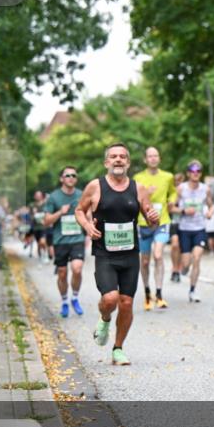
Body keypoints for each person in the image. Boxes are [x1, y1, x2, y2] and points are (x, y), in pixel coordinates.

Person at [76, 143, 159, 366]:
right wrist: (87, 227)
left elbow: (151, 220)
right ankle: (104, 318)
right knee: (110, 299)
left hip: (130, 253)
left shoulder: (138, 188)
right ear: (106, 162)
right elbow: (79, 210)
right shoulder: (95, 186)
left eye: (122, 156)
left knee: (126, 302)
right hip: (105, 253)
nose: (118, 160)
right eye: (113, 157)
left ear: (128, 163)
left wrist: (153, 218)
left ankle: (118, 348)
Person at [134, 147, 176, 310]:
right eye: (150, 156)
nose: (153, 158)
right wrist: (147, 194)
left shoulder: (167, 177)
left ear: (159, 158)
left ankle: (159, 294)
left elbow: (173, 192)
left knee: (158, 255)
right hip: (143, 224)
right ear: (145, 160)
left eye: (155, 156)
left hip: (162, 221)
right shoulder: (138, 178)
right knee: (144, 261)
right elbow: (134, 199)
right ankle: (146, 293)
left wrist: (172, 201)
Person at [43, 166, 86, 318]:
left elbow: (89, 214)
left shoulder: (82, 195)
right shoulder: (54, 197)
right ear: (61, 178)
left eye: (74, 175)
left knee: (77, 269)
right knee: (62, 274)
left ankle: (74, 297)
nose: (71, 178)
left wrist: (89, 233)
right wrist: (60, 212)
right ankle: (65, 301)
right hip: (60, 241)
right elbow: (46, 221)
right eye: (67, 175)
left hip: (77, 239)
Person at [176, 160, 209, 302]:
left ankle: (192, 290)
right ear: (188, 173)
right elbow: (171, 207)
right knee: (186, 263)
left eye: (198, 171)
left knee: (197, 258)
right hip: (184, 230)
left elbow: (211, 205)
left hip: (199, 229)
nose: (196, 174)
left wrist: (210, 212)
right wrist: (183, 210)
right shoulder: (181, 189)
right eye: (193, 171)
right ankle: (183, 268)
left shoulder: (205, 189)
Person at [169, 171, 184, 282]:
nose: (178, 183)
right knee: (175, 245)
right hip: (173, 222)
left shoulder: (187, 192)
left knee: (181, 248)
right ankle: (174, 268)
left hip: (186, 224)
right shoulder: (171, 193)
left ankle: (178, 270)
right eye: (176, 181)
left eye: (180, 181)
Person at [29, 191, 49, 263]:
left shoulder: (45, 204)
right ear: (34, 196)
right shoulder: (32, 205)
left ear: (42, 196)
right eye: (36, 195)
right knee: (39, 243)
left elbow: (49, 214)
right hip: (35, 227)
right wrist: (34, 214)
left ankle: (46, 254)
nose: (38, 196)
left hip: (43, 227)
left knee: (42, 241)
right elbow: (30, 217)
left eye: (39, 195)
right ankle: (41, 257)